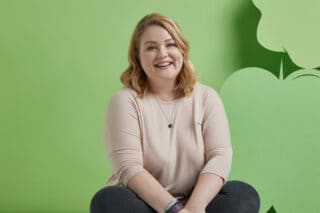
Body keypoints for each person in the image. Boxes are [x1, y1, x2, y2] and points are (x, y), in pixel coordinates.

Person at [90, 13, 260, 213]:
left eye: (170, 44)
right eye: (151, 48)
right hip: (144, 203)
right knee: (107, 200)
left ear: (182, 49)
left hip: (196, 202)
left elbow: (220, 156)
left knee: (243, 195)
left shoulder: (206, 97)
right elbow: (128, 167)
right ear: (137, 57)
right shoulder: (125, 101)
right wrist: (174, 209)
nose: (162, 54)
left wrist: (194, 208)